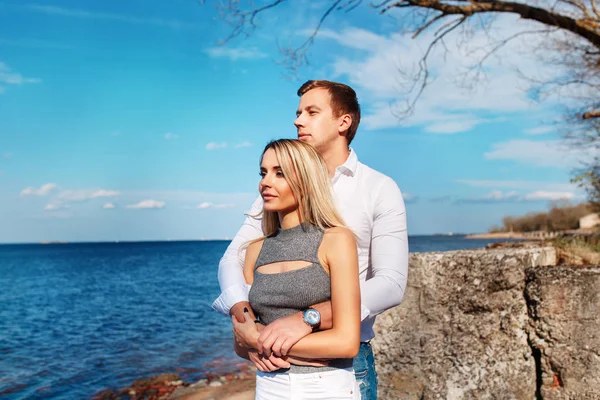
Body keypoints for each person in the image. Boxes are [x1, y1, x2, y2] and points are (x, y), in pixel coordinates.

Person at [213, 80, 409, 399]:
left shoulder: (378, 188)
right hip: (274, 365)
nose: (298, 120)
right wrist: (247, 322)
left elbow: (391, 283)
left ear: (343, 122)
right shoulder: (280, 191)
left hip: (342, 361)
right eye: (298, 112)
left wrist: (310, 318)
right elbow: (232, 259)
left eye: (311, 112)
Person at [232, 138, 361, 399]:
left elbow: (346, 343)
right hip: (268, 387)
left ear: (305, 179)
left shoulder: (335, 239)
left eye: (280, 173)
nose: (265, 182)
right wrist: (252, 342)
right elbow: (240, 343)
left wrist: (259, 342)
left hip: (326, 386)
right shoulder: (255, 250)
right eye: (263, 172)